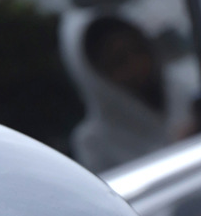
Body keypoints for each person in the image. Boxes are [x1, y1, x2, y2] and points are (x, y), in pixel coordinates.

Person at [60, 11, 198, 173]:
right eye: (119, 61)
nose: (138, 64)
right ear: (95, 76)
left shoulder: (188, 86)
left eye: (139, 50)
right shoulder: (93, 142)